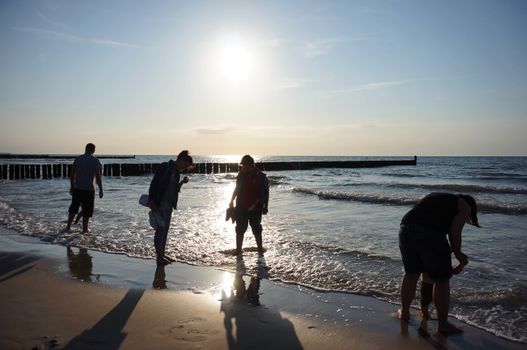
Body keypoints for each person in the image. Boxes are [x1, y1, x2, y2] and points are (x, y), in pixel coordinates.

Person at [398, 192, 480, 335]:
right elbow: (454, 233)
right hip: (428, 232)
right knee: (441, 280)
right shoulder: (465, 206)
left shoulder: (439, 199)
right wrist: (459, 255)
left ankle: (404, 313)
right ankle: (443, 325)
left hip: (405, 228)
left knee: (411, 274)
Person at [148, 150, 193, 266]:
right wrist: (152, 200)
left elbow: (175, 189)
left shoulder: (176, 172)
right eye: (185, 165)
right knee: (160, 230)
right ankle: (159, 257)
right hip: (160, 203)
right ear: (181, 159)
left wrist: (182, 182)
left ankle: (162, 254)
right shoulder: (165, 166)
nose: (185, 168)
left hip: (169, 204)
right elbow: (154, 183)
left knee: (165, 231)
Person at [229, 155, 269, 255]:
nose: (243, 168)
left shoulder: (261, 176)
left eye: (245, 166)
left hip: (256, 207)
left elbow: (266, 192)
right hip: (241, 206)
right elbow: (237, 188)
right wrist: (231, 200)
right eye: (242, 166)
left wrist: (266, 206)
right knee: (239, 229)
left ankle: (260, 250)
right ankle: (238, 250)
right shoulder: (241, 174)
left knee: (257, 229)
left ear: (251, 165)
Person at [65, 143, 103, 233]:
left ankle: (68, 227)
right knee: (87, 210)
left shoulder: (78, 159)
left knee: (73, 208)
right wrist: (101, 189)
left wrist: (72, 186)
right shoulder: (94, 160)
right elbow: (98, 176)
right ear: (93, 150)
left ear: (85, 149)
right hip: (89, 189)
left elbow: (72, 174)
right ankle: (85, 230)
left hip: (77, 188)